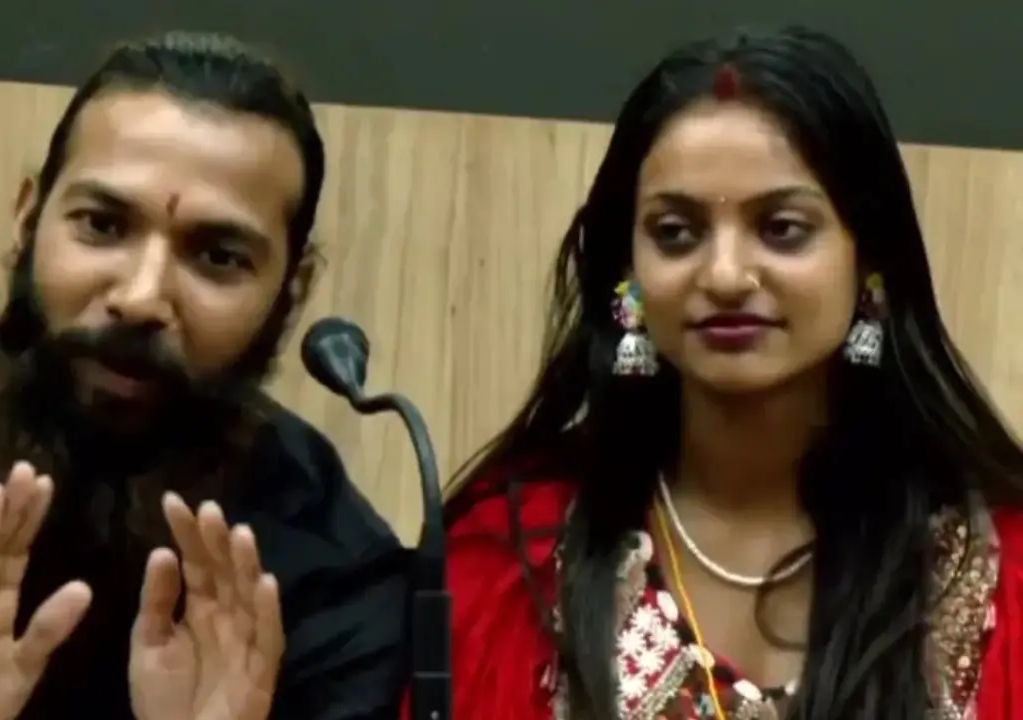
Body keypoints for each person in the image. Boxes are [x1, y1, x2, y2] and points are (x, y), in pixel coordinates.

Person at [0, 31, 410, 720]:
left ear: (291, 292)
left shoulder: (336, 572)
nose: (142, 297)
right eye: (102, 224)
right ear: (28, 217)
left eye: (217, 257)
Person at [411, 26, 1023, 720]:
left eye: (782, 229)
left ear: (869, 262)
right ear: (627, 275)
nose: (726, 275)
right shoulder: (508, 561)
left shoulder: (997, 571)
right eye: (676, 233)